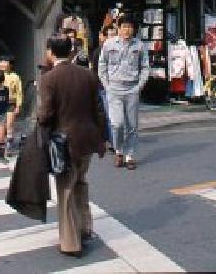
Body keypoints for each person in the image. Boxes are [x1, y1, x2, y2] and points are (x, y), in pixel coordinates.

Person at [38, 35, 106, 258]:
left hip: (63, 142)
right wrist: (102, 138)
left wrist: (39, 123)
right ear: (70, 52)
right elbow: (99, 110)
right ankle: (85, 228)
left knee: (65, 189)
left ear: (50, 52)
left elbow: (46, 113)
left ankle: (70, 242)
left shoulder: (49, 79)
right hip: (87, 138)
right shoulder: (88, 75)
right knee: (81, 183)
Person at [98, 16, 149, 171]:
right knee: (117, 123)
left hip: (132, 89)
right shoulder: (109, 44)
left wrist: (139, 86)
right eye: (124, 26)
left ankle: (130, 156)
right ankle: (119, 151)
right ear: (118, 28)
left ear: (134, 29)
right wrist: (106, 85)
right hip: (114, 89)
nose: (127, 30)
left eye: (130, 27)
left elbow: (145, 67)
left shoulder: (139, 46)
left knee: (132, 126)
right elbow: (102, 65)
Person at [91, 25, 117, 153]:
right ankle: (113, 142)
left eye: (114, 34)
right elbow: (95, 71)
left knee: (113, 116)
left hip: (118, 87)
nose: (113, 37)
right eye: (110, 35)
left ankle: (111, 139)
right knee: (110, 115)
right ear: (105, 37)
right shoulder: (98, 52)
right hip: (104, 87)